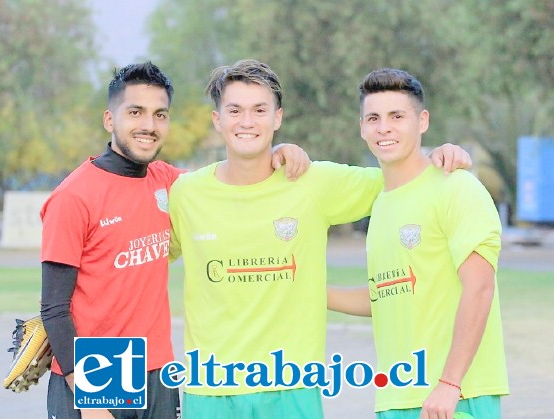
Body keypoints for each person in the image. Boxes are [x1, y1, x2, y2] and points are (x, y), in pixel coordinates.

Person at [167, 59, 472, 419]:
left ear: (277, 118)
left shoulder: (311, 181)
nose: (247, 121)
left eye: (259, 110)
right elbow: (142, 258)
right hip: (210, 390)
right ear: (217, 119)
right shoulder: (186, 193)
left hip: (292, 389)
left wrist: (442, 157)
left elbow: (402, 177)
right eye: (235, 110)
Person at [39, 62, 310, 419]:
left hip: (159, 369)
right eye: (135, 112)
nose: (148, 126)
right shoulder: (74, 196)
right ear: (109, 119)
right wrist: (89, 394)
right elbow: (54, 308)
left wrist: (278, 151)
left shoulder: (168, 181)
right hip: (98, 371)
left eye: (159, 114)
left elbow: (224, 182)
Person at [328, 68, 509, 418]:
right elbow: (387, 293)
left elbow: (480, 288)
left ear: (422, 121)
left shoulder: (456, 187)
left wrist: (450, 384)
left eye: (397, 116)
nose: (385, 128)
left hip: (456, 397)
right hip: (397, 398)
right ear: (362, 127)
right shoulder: (381, 204)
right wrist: (304, 290)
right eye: (374, 118)